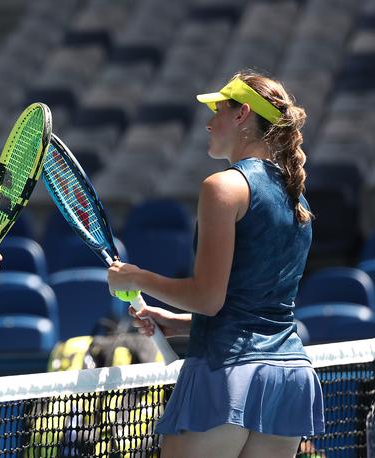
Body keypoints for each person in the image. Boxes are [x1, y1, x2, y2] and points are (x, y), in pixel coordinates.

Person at [107, 71, 324, 457]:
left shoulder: (222, 187)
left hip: (227, 377)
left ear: (242, 114)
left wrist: (137, 277)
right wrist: (175, 322)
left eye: (217, 111)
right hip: (288, 378)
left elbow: (208, 299)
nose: (209, 123)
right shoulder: (299, 202)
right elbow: (256, 313)